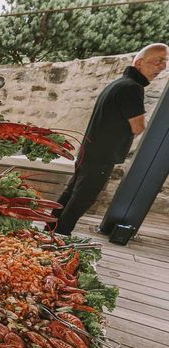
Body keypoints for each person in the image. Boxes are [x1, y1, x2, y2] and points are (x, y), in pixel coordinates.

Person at [50, 43, 169, 236]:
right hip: (101, 155)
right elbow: (138, 127)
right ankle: (61, 234)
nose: (162, 67)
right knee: (82, 198)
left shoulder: (119, 83)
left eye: (165, 62)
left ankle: (50, 229)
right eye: (158, 61)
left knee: (72, 193)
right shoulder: (133, 88)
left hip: (90, 151)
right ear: (139, 63)